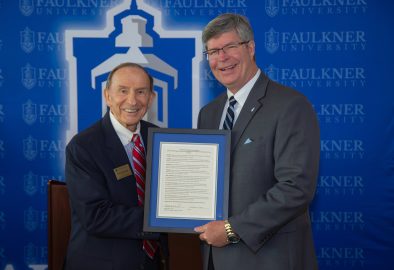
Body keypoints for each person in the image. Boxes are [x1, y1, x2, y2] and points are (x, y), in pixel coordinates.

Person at [194, 14, 320, 270]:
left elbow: (296, 187)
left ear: (250, 47)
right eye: (214, 51)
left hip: (269, 258)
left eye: (230, 47)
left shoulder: (290, 105)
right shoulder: (208, 113)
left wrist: (231, 229)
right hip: (215, 259)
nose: (222, 58)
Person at [65, 62, 168, 270]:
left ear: (151, 98)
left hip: (154, 263)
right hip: (102, 264)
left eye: (141, 92)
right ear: (107, 96)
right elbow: (96, 216)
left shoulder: (163, 140)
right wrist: (165, 220)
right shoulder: (83, 146)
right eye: (123, 91)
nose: (132, 100)